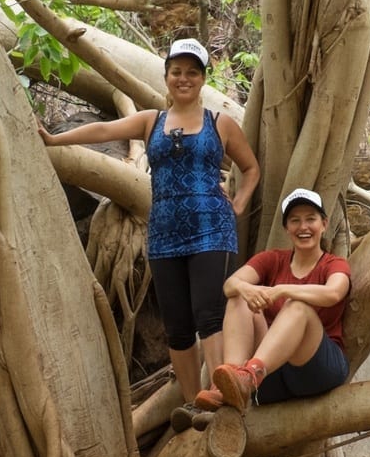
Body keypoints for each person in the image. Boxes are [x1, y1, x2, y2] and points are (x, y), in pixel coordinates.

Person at [38, 37, 258, 399]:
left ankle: (219, 392)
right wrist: (53, 140)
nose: (183, 78)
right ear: (167, 76)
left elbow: (250, 169)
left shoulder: (221, 124)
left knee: (209, 314)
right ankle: (193, 401)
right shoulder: (151, 121)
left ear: (203, 78)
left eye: (191, 72)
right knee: (178, 326)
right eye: (176, 72)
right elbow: (104, 131)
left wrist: (238, 205)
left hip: (210, 230)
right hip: (164, 234)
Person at [197, 188, 351, 411]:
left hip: (317, 371)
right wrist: (245, 289)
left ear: (324, 224)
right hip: (272, 376)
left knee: (297, 306)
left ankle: (249, 376)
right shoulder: (272, 259)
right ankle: (233, 381)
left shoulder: (334, 264)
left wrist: (281, 290)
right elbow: (230, 284)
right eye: (295, 220)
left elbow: (333, 293)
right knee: (238, 296)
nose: (303, 227)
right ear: (286, 228)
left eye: (311, 219)